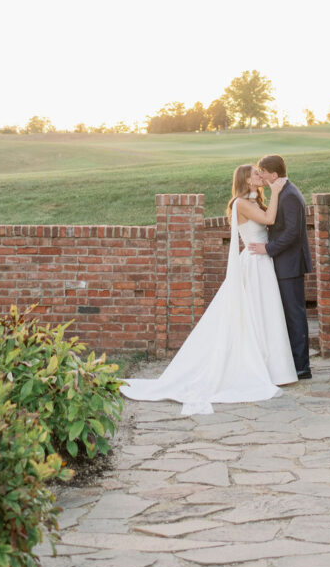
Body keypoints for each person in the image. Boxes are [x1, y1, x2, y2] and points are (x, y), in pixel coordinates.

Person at [120, 163, 297, 414]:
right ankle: (259, 369)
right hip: (254, 264)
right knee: (257, 313)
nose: (260, 176)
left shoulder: (253, 201)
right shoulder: (240, 203)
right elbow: (269, 220)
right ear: (246, 180)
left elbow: (270, 221)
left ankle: (273, 367)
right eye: (256, 174)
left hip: (262, 261)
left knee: (264, 314)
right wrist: (277, 192)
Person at [249, 154, 312, 379]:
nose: (260, 175)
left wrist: (268, 248)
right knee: (287, 314)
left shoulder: (290, 195)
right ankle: (291, 363)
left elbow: (293, 233)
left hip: (290, 264)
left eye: (262, 172)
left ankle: (301, 366)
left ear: (274, 174)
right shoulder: (283, 193)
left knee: (294, 314)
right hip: (284, 263)